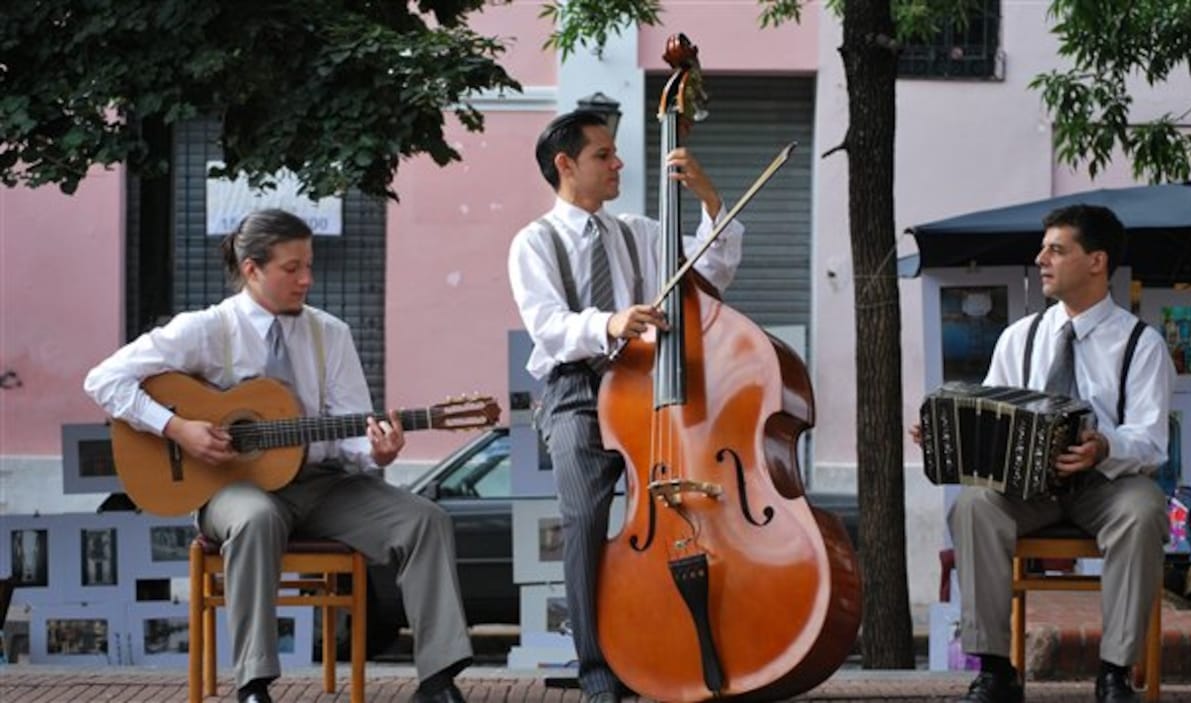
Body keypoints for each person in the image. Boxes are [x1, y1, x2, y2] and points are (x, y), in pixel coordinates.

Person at [84, 209, 472, 703]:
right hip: (230, 488)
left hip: (324, 485)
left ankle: (438, 680)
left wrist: (378, 452)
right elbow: (103, 379)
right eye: (292, 268)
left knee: (426, 519)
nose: (306, 279)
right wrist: (178, 428)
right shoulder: (206, 330)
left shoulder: (330, 333)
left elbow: (353, 426)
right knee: (257, 519)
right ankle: (254, 683)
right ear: (252, 270)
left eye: (309, 265)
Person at [507, 110, 744, 703]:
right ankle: (596, 671)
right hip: (576, 393)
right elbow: (548, 327)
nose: (618, 165)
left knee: (679, 511)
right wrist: (611, 321)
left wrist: (711, 201)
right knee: (585, 519)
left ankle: (677, 646)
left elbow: (711, 274)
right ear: (566, 165)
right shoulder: (535, 242)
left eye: (615, 154)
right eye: (603, 155)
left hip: (647, 385)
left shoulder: (640, 231)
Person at [916, 205, 1174, 703]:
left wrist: (1104, 447)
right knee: (972, 504)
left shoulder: (1142, 344)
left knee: (1143, 511)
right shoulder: (1021, 336)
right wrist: (948, 431)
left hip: (1109, 486)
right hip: (1027, 489)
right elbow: (987, 411)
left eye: (1057, 249)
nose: (1041, 259)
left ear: (1096, 261)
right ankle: (994, 669)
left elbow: (1152, 440)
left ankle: (1114, 673)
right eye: (1044, 249)